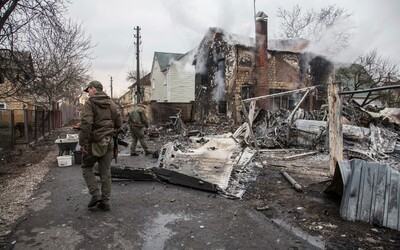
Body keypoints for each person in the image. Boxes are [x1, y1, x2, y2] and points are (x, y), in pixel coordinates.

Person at [79, 80, 122, 211]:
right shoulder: (111, 104)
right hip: (109, 141)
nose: (88, 93)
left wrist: (83, 143)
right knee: (105, 172)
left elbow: (86, 123)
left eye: (89, 90)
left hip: (95, 142)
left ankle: (95, 194)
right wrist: (111, 130)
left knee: (86, 167)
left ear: (94, 89)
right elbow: (119, 122)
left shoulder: (90, 103)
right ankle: (105, 202)